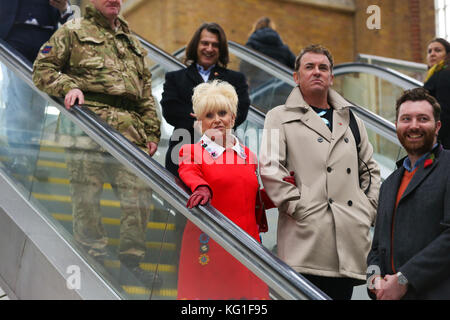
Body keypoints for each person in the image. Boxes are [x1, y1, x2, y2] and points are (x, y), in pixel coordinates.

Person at [32, 0, 162, 288]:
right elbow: (42, 68)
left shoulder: (131, 42)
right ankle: (94, 257)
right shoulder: (73, 30)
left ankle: (131, 262)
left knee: (139, 197)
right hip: (87, 123)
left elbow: (145, 94)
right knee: (86, 199)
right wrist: (69, 87)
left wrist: (152, 133)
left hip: (130, 132)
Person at [259, 44, 381, 300]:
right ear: (296, 76)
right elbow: (271, 168)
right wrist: (298, 207)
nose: (317, 72)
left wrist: (367, 209)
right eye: (309, 67)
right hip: (305, 239)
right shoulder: (277, 116)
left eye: (323, 67)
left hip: (348, 236)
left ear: (331, 77)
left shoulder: (352, 120)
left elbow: (370, 170)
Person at [176, 80, 281, 299]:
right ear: (199, 122)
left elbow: (252, 200)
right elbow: (189, 172)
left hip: (247, 245)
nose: (217, 120)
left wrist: (280, 190)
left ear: (232, 117)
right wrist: (201, 187)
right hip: (212, 243)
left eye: (222, 113)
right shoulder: (191, 150)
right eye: (209, 115)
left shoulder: (248, 156)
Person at [367, 88, 450, 300]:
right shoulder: (389, 184)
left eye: (422, 119)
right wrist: (373, 282)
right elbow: (376, 249)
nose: (414, 126)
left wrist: (404, 280)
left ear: (437, 126)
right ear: (397, 126)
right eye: (406, 119)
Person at [161, 22, 250, 178]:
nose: (209, 49)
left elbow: (241, 109)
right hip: (183, 151)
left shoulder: (236, 79)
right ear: (196, 45)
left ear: (220, 49)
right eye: (205, 43)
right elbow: (170, 109)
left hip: (224, 154)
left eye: (215, 45)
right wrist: (201, 119)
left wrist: (206, 120)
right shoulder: (175, 78)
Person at [0, 0, 72, 179]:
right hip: (13, 37)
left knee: (38, 105)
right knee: (19, 99)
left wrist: (64, 7)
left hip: (45, 43)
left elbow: (70, 17)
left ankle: (29, 159)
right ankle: (19, 156)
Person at [423, 38, 450, 149]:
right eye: (429, 51)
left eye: (437, 50)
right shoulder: (435, 74)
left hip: (444, 141)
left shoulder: (444, 74)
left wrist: (434, 141)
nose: (432, 54)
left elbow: (444, 110)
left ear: (448, 55)